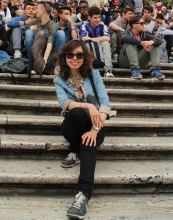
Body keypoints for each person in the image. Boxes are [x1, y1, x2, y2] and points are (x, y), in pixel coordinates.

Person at [54, 40, 111, 219]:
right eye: (70, 55)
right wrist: (88, 107)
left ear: (85, 57)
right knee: (78, 112)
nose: (74, 58)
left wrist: (94, 130)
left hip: (95, 124)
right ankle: (73, 149)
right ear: (64, 57)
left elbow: (105, 104)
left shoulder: (94, 75)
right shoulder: (59, 78)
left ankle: (83, 195)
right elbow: (65, 103)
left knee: (89, 143)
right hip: (72, 125)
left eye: (79, 54)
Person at [118, 15, 165, 80]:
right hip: (125, 61)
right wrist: (141, 43)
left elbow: (160, 40)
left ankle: (155, 70)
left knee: (155, 44)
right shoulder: (126, 33)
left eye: (144, 23)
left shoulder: (144, 35)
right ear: (134, 25)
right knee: (130, 43)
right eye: (142, 23)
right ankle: (135, 70)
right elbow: (124, 38)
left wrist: (152, 42)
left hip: (141, 61)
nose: (144, 25)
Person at [25, 1, 64, 71]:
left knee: (60, 33)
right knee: (28, 32)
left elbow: (50, 44)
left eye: (37, 8)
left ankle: (58, 64)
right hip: (36, 51)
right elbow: (26, 41)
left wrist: (44, 61)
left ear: (43, 10)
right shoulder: (33, 22)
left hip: (48, 53)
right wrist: (30, 29)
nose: (35, 10)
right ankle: (30, 63)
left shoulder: (52, 25)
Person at [79, 6, 114, 77]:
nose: (98, 20)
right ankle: (89, 69)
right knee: (87, 43)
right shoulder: (84, 24)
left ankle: (108, 70)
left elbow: (107, 38)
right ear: (89, 17)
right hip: (88, 47)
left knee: (106, 43)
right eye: (95, 18)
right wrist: (98, 40)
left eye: (99, 17)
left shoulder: (102, 24)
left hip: (99, 47)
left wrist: (93, 39)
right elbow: (84, 38)